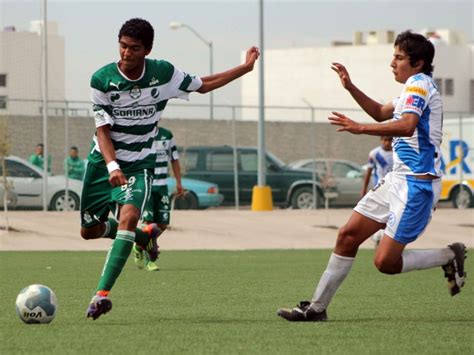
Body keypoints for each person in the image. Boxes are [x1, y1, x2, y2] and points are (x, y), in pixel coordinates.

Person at [277, 30, 466, 322]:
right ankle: (316, 308)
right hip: (396, 179)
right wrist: (350, 87)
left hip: (417, 185)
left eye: (399, 58)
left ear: (418, 64)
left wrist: (359, 128)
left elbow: (406, 126)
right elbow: (380, 112)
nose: (392, 63)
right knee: (348, 236)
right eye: (393, 56)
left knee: (385, 263)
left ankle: (448, 255)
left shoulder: (419, 85)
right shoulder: (410, 89)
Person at [81, 18, 259, 320]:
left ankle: (101, 295)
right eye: (122, 46)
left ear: (147, 50)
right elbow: (103, 130)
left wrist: (245, 68)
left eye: (134, 48)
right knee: (90, 231)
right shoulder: (101, 79)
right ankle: (142, 237)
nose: (126, 53)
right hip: (104, 162)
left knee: (129, 215)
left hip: (140, 164)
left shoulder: (164, 74)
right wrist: (112, 165)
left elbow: (204, 85)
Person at [132, 126, 184, 271]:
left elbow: (174, 159)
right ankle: (150, 261)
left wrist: (179, 182)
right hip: (146, 184)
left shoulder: (167, 135)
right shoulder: (140, 133)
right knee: (149, 223)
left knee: (162, 225)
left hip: (162, 187)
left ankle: (139, 245)